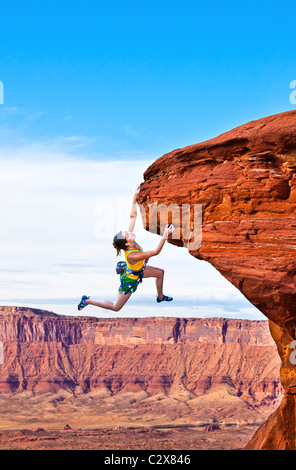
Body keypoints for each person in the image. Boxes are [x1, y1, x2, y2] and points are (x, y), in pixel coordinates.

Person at [77, 187, 174, 312]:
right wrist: (165, 235)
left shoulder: (129, 241)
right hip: (130, 279)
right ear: (127, 243)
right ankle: (86, 301)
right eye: (127, 234)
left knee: (160, 273)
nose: (129, 233)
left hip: (139, 270)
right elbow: (156, 252)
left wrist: (134, 197)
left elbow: (132, 217)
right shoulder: (131, 256)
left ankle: (160, 297)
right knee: (116, 307)